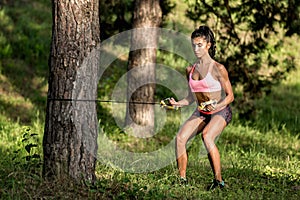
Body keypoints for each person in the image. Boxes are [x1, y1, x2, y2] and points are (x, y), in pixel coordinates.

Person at [169, 25, 234, 190]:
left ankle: (218, 181)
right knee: (180, 138)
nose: (196, 49)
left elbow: (230, 96)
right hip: (202, 112)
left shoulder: (218, 68)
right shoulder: (190, 70)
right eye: (193, 45)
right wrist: (177, 103)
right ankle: (182, 179)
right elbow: (191, 98)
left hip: (220, 111)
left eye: (199, 45)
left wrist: (216, 105)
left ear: (208, 45)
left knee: (207, 136)